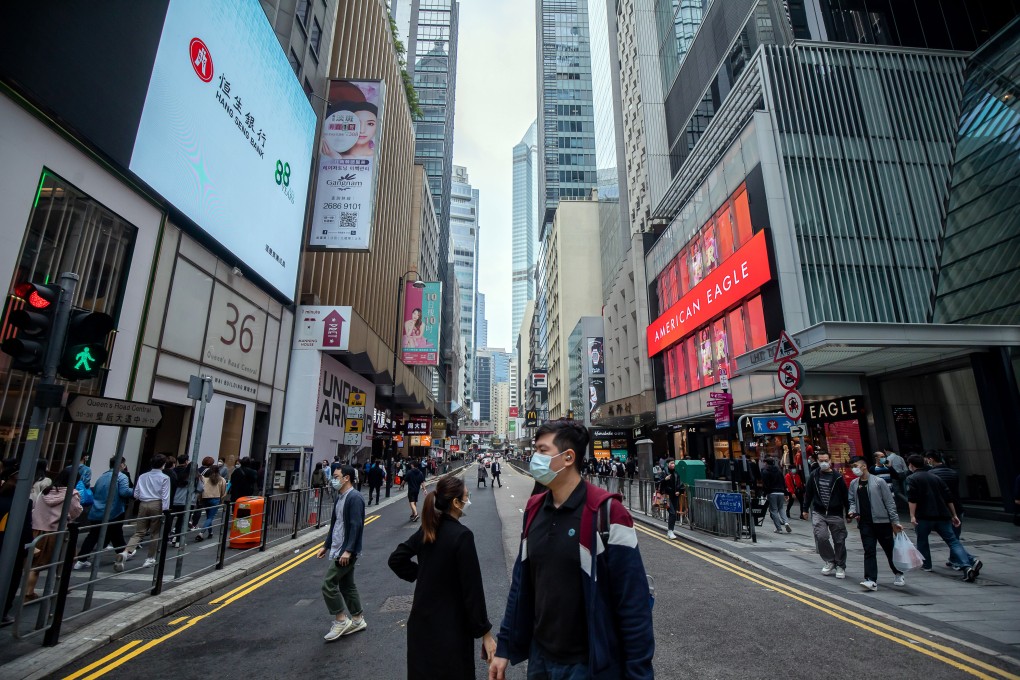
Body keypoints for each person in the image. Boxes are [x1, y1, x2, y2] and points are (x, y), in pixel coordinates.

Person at [489, 420, 654, 680]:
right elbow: (521, 585)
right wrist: (505, 645)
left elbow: (633, 604)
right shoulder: (533, 510)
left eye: (542, 451)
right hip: (540, 659)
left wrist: (639, 674)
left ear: (567, 458)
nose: (535, 458)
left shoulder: (608, 513)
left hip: (588, 664)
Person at [388, 476, 496, 678]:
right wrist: (486, 634)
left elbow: (396, 560)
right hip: (450, 631)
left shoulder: (429, 528)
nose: (468, 499)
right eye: (466, 496)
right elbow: (472, 590)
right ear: (456, 502)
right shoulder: (462, 536)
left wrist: (423, 574)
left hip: (420, 626)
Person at [906, 454, 982, 581]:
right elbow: (948, 497)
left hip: (924, 516)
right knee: (953, 541)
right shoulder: (935, 477)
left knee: (922, 540)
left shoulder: (912, 478)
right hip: (942, 514)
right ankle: (966, 566)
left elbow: (912, 499)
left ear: (911, 465)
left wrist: (912, 516)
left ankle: (926, 565)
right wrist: (954, 515)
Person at [317, 465, 367, 641]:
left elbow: (356, 526)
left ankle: (340, 619)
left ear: (347, 478)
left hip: (346, 550)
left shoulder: (355, 498)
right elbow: (336, 523)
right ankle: (358, 619)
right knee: (347, 585)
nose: (333, 479)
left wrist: (348, 550)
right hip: (339, 547)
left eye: (336, 476)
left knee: (328, 584)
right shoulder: (340, 497)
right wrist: (326, 545)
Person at [24, 467, 83, 599]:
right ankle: (60, 587)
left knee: (35, 565)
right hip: (59, 533)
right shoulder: (72, 494)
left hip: (39, 531)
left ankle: (28, 593)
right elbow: (76, 512)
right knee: (64, 561)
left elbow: (35, 508)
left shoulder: (45, 491)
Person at [847, 457, 905, 591]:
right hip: (865, 523)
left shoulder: (879, 482)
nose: (854, 469)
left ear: (864, 466)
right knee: (869, 550)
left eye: (856, 465)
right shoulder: (854, 484)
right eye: (852, 467)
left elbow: (889, 503)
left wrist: (895, 522)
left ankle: (898, 573)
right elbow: (851, 501)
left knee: (889, 549)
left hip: (881, 521)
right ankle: (871, 579)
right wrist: (852, 511)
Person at [74, 457, 134, 570]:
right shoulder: (121, 476)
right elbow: (124, 492)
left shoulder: (102, 476)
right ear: (121, 465)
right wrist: (135, 491)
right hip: (114, 510)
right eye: (124, 464)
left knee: (94, 535)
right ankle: (123, 553)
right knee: (116, 533)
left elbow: (95, 490)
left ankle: (81, 559)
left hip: (97, 510)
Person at [118, 454, 170, 571]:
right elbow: (165, 496)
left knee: (139, 532)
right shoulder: (165, 478)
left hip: (143, 504)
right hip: (157, 504)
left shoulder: (143, 476)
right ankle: (150, 558)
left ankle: (126, 552)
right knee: (155, 532)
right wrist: (165, 510)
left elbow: (136, 494)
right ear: (163, 465)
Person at [801, 451, 849, 579]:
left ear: (830, 461)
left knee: (839, 540)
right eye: (821, 460)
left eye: (826, 460)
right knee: (821, 536)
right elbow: (809, 493)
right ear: (817, 461)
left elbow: (845, 495)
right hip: (819, 512)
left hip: (835, 512)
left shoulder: (837, 477)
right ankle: (830, 560)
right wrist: (805, 509)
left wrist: (849, 513)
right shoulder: (814, 475)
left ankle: (840, 565)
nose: (823, 463)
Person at [0, 461, 33, 624]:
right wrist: (28, 549)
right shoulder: (24, 502)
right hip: (13, 549)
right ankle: (3, 612)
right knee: (11, 580)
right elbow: (26, 530)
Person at [925, 451, 964, 554]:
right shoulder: (953, 473)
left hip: (941, 510)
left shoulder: (930, 474)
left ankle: (965, 561)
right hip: (956, 507)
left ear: (930, 459)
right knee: (955, 538)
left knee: (951, 539)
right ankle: (955, 559)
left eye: (926, 459)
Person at [194, 461, 226, 542]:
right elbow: (223, 492)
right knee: (210, 517)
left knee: (208, 516)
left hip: (205, 498)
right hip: (215, 499)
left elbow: (201, 489)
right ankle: (201, 533)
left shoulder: (204, 478)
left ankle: (210, 532)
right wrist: (221, 500)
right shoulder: (221, 479)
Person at [762, 457, 792, 534]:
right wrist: (785, 493)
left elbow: (766, 484)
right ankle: (786, 522)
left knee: (774, 510)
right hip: (781, 492)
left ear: (766, 463)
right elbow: (783, 482)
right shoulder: (779, 471)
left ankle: (779, 528)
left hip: (772, 492)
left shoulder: (765, 471)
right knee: (781, 508)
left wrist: (764, 493)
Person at [169, 455, 192, 548]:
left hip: (172, 498)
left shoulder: (173, 471)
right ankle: (177, 539)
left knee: (169, 518)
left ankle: (168, 536)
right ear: (186, 461)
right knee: (181, 520)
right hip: (184, 499)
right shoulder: (187, 473)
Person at [657, 459, 683, 539]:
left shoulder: (676, 473)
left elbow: (679, 483)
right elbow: (658, 482)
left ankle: (670, 531)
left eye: (674, 463)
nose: (673, 465)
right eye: (671, 463)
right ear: (668, 464)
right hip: (666, 496)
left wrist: (679, 491)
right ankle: (670, 531)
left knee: (673, 513)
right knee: (672, 513)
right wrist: (665, 479)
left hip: (674, 496)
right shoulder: (664, 473)